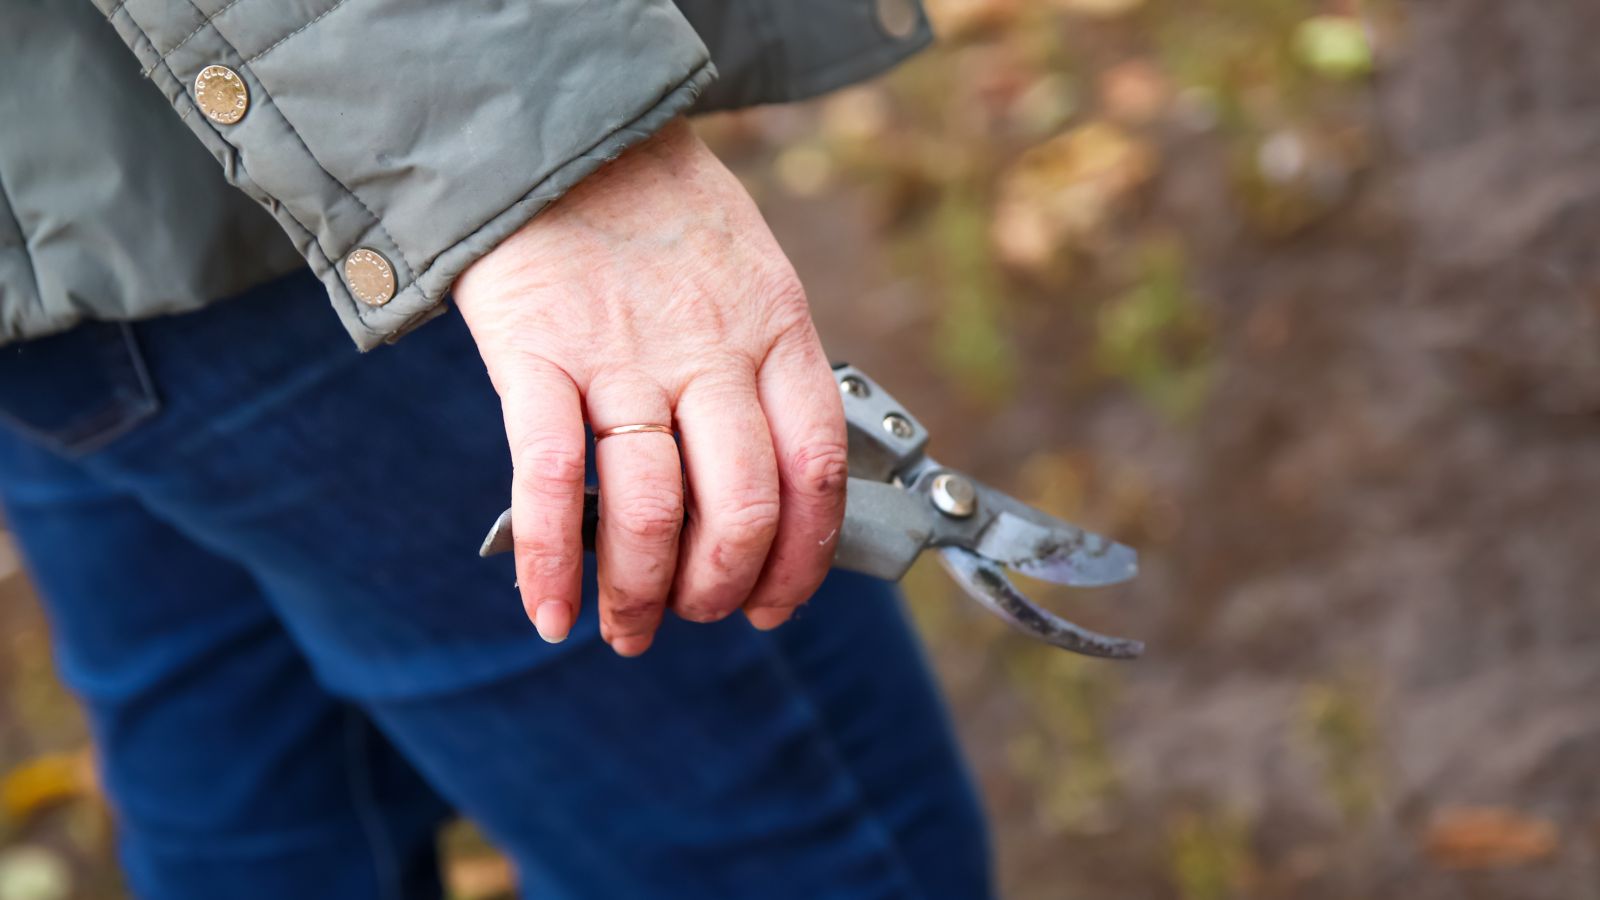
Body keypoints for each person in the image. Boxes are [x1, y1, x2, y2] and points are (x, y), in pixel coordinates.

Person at [0, 0, 993, 897]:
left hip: (60, 219)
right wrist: (544, 154)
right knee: (808, 856)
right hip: (343, 202)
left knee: (260, 822)